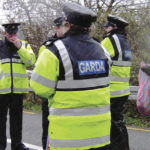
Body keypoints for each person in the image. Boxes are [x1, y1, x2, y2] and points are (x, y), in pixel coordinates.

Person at [30, 2, 111, 150]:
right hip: (100, 137)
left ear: (67, 24)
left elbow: (40, 88)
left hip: (66, 139)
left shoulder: (54, 51)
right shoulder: (103, 50)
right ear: (89, 27)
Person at [0, 23, 36, 150]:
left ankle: (17, 144)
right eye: (10, 34)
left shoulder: (24, 45)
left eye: (14, 34)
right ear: (5, 34)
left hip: (18, 89)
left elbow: (31, 61)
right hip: (1, 90)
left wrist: (19, 47)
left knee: (17, 120)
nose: (12, 37)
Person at [101, 15, 131, 150]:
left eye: (108, 25)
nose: (106, 28)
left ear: (115, 27)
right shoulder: (125, 41)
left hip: (112, 91)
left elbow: (99, 59)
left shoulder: (110, 40)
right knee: (119, 123)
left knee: (112, 126)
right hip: (123, 90)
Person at [41, 17, 65, 150]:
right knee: (49, 131)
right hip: (51, 99)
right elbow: (41, 75)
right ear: (57, 28)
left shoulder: (73, 44)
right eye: (64, 26)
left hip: (68, 100)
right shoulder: (47, 46)